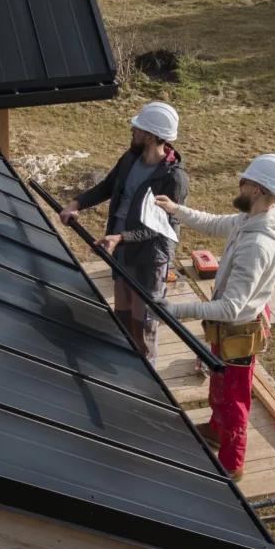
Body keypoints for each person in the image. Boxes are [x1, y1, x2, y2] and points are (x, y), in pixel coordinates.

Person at [154, 153, 275, 480]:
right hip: (230, 328)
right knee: (220, 382)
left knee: (235, 400)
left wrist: (175, 310)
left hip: (239, 330)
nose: (239, 185)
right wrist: (177, 210)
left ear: (257, 190)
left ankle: (232, 466)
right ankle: (217, 431)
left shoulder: (257, 244)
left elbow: (232, 307)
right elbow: (215, 223)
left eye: (244, 181)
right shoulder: (251, 219)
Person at [60, 102, 188, 363]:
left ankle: (147, 377)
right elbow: (108, 187)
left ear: (150, 137)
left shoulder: (173, 179)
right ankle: (124, 366)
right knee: (123, 316)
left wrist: (121, 237)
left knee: (144, 325)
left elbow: (159, 227)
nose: (132, 130)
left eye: (137, 128)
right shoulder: (130, 159)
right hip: (121, 251)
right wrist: (77, 203)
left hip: (149, 258)